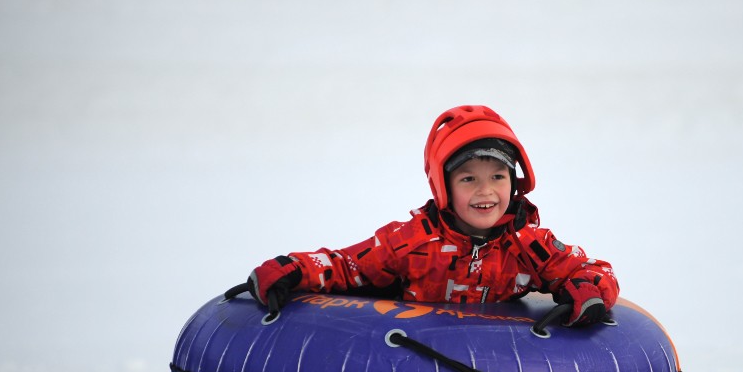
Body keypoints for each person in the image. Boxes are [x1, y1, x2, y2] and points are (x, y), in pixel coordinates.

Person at [243, 104, 618, 326]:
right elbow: (347, 266)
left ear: (514, 180)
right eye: (469, 179)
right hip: (414, 358)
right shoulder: (410, 241)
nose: (486, 191)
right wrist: (292, 268)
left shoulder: (530, 245)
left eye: (498, 177)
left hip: (502, 363)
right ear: (443, 187)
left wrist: (587, 290)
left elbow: (592, 269)